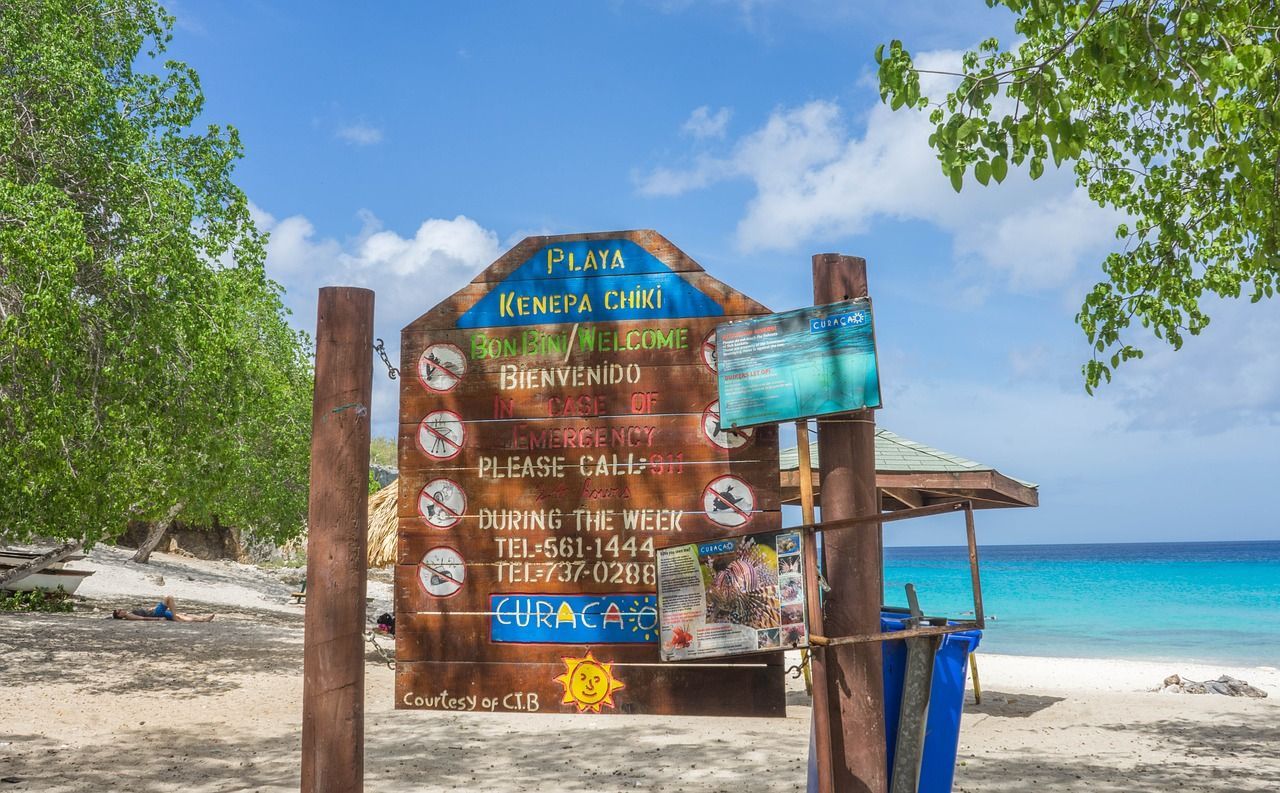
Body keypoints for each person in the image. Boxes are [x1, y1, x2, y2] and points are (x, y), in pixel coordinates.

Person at [112, 595, 214, 622]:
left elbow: (144, 613)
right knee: (168, 598)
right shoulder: (129, 616)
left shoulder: (129, 613)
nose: (121, 610)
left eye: (119, 609)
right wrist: (157, 619)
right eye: (119, 611)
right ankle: (174, 617)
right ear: (120, 616)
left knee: (182, 616)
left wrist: (152, 608)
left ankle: (203, 619)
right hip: (156, 614)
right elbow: (143, 618)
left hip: (155, 611)